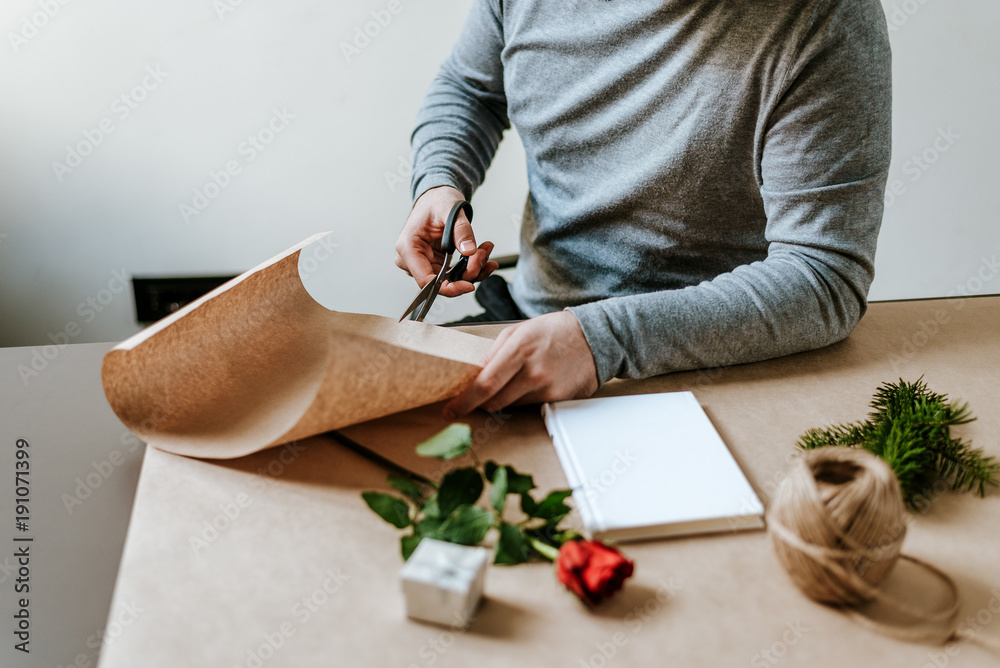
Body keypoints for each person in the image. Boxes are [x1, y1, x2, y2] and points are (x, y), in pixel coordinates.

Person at [394, 0, 892, 420]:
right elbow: (471, 89)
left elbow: (823, 278)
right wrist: (439, 181)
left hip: (716, 370)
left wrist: (600, 339)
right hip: (525, 327)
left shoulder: (825, 19)